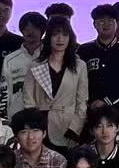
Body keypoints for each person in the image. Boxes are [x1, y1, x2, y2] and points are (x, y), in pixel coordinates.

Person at [25, 14, 89, 149]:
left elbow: (82, 102)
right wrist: (34, 126)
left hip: (68, 128)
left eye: (65, 34)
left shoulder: (79, 66)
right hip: (40, 127)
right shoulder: (35, 65)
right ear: (48, 37)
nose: (60, 39)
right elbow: (28, 100)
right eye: (55, 34)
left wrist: (75, 129)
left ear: (70, 38)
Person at [78, 4, 119, 122]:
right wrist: (89, 103)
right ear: (94, 24)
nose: (105, 24)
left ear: (116, 24)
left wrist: (106, 101)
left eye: (110, 21)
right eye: (101, 21)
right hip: (89, 113)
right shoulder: (83, 51)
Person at [0, 10, 45, 122]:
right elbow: (4, 92)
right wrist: (3, 120)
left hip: (45, 117)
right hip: (16, 116)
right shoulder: (10, 60)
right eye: (26, 28)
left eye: (34, 28)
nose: (30, 32)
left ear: (42, 31)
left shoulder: (52, 57)